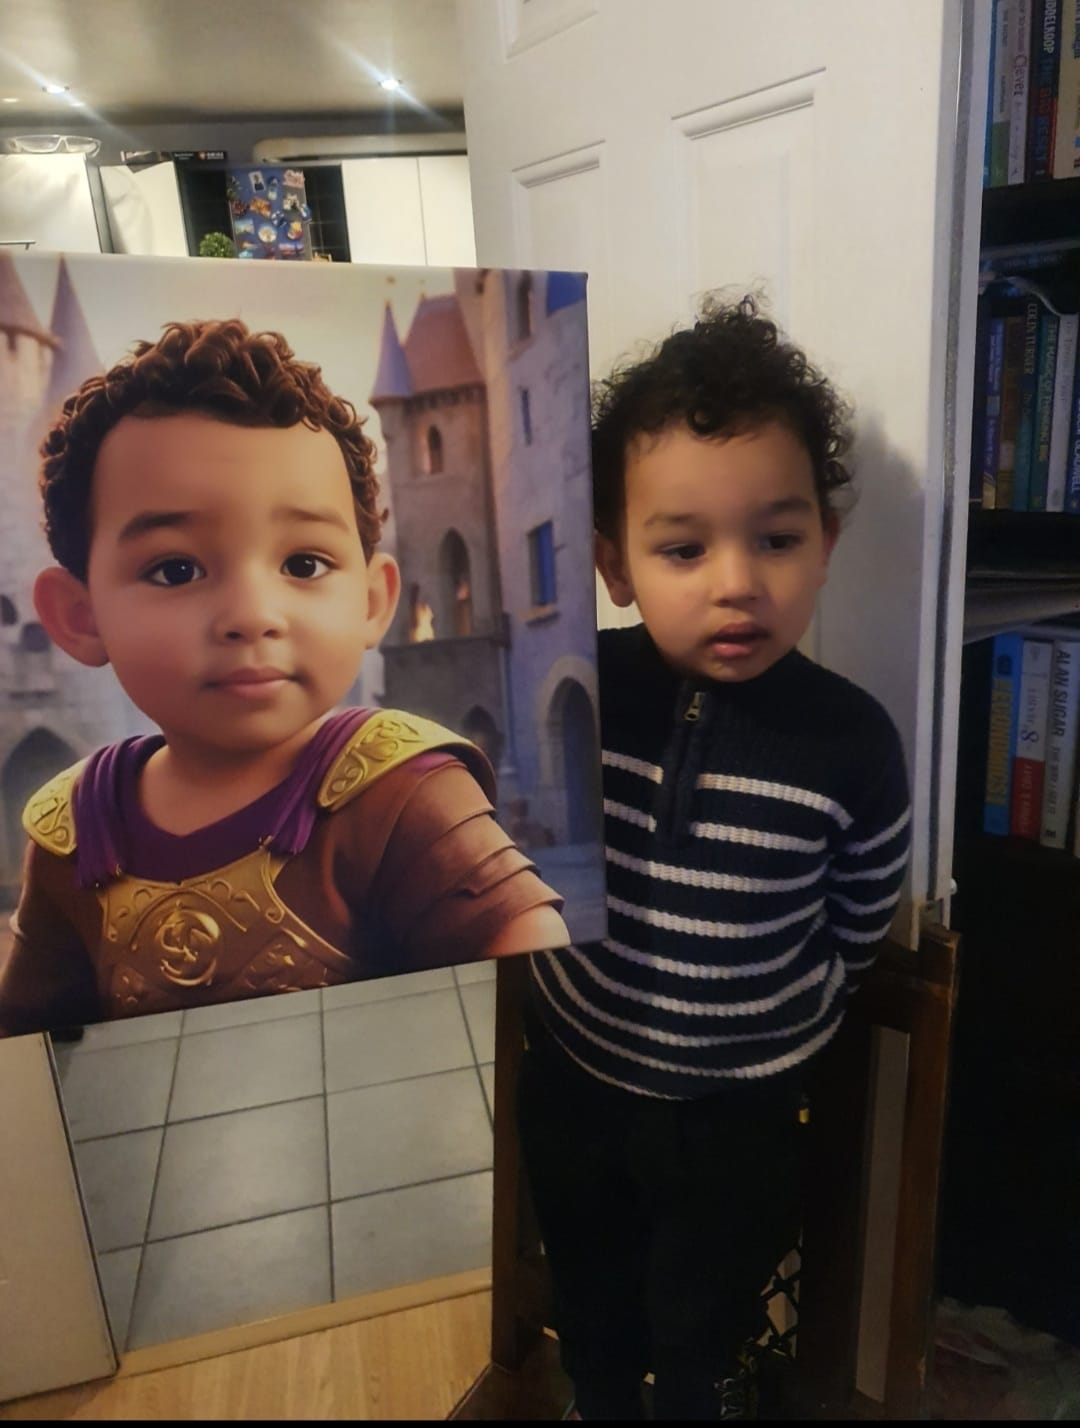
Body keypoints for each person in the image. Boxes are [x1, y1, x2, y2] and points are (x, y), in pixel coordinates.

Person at [517, 297, 912, 1421]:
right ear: (615, 563)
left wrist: (781, 1019)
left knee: (703, 1318)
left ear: (825, 545)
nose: (737, 581)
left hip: (736, 1110)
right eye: (684, 547)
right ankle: (599, 1399)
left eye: (776, 539)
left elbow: (858, 918)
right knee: (591, 1295)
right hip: (577, 1080)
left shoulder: (850, 740)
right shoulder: (574, 682)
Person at [0, 318, 568, 1038]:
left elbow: (534, 984)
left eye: (303, 564)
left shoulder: (398, 793)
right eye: (176, 569)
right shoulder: (73, 829)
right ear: (79, 616)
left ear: (371, 600)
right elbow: (25, 1042)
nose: (251, 615)